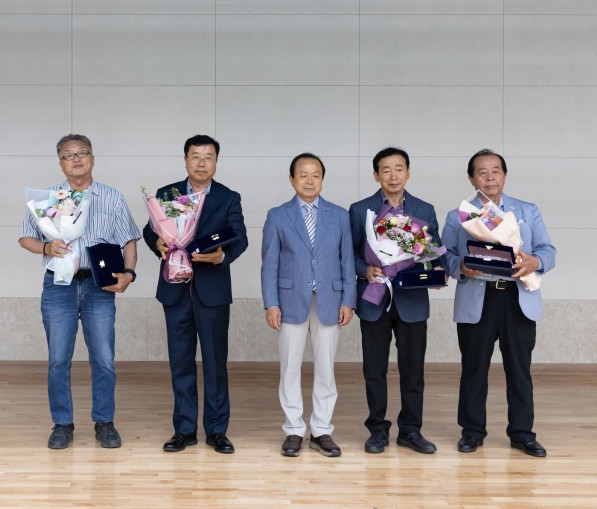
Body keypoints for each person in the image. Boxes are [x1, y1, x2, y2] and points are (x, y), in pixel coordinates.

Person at [18, 134, 140, 450]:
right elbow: (25, 237)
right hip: (58, 286)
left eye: (82, 152)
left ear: (93, 159)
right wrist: (46, 247)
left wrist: (129, 274)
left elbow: (129, 239)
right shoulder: (48, 198)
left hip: (99, 286)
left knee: (104, 359)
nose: (76, 159)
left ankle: (105, 422)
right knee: (58, 359)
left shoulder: (112, 197)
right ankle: (62, 424)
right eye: (69, 155)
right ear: (61, 163)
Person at [441, 149, 557, 458]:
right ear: (471, 178)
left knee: (519, 370)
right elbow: (445, 255)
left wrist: (534, 261)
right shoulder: (459, 216)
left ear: (504, 176)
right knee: (473, 369)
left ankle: (522, 433)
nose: (490, 177)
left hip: (517, 298)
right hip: (477, 298)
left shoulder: (527, 210)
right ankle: (472, 431)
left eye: (496, 171)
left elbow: (548, 250)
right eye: (482, 172)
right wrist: (459, 266)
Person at [143, 134, 248, 454]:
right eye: (195, 157)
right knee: (180, 362)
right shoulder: (169, 193)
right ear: (186, 160)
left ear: (216, 162)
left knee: (215, 364)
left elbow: (240, 238)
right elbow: (150, 229)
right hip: (175, 290)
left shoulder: (228, 197)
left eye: (208, 157)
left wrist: (221, 257)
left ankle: (217, 431)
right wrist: (157, 243)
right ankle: (184, 430)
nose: (201, 163)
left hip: (212, 291)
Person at [261, 153, 355, 458]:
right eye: (303, 175)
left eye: (315, 175)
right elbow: (269, 264)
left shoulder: (339, 215)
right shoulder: (278, 215)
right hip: (290, 301)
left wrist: (349, 300)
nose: (309, 180)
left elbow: (347, 261)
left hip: (330, 300)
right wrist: (271, 303)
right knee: (289, 367)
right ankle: (293, 430)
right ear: (291, 180)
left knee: (326, 368)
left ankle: (321, 430)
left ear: (323, 179)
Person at [348, 146, 440, 455]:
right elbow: (349, 254)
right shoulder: (360, 210)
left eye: (399, 169)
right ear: (376, 175)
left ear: (408, 173)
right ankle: (377, 430)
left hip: (412, 299)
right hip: (374, 299)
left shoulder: (424, 209)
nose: (393, 175)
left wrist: (433, 274)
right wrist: (365, 269)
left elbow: (434, 253)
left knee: (413, 371)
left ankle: (411, 431)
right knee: (374, 370)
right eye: (385, 170)